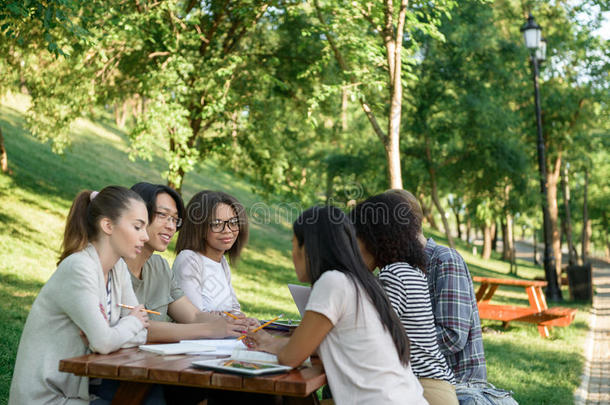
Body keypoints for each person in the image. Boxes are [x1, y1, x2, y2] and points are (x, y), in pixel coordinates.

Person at [244, 206, 427, 405]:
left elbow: (291, 358)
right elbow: (306, 348)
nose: (292, 254)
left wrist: (270, 343)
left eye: (294, 245)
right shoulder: (364, 282)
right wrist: (268, 341)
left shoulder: (333, 282)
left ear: (308, 248)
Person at [9, 186, 149, 405]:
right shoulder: (78, 268)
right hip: (50, 398)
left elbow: (141, 334)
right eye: (137, 227)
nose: (146, 236)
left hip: (84, 389)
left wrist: (116, 333)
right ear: (108, 225)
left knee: (154, 395)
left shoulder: (117, 268)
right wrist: (128, 325)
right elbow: (107, 340)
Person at [386, 189, 517, 405]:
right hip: (419, 380)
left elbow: (453, 336)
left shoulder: (444, 261)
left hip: (459, 386)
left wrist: (387, 343)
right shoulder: (399, 268)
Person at [351, 193, 458, 405]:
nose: (352, 249)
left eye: (355, 238)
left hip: (423, 390)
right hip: (434, 388)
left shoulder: (394, 275)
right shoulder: (410, 271)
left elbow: (366, 335)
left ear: (375, 238)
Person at [126, 183, 251, 342]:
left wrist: (236, 323)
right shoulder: (113, 266)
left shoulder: (160, 267)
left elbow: (193, 315)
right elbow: (130, 326)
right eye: (163, 215)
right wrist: (210, 329)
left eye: (174, 219)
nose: (171, 226)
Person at [173, 190, 248, 314]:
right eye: (217, 224)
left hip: (225, 333)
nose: (228, 230)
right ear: (198, 227)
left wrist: (245, 321)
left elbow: (234, 309)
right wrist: (231, 320)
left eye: (233, 223)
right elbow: (196, 316)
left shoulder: (222, 262)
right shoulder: (188, 260)